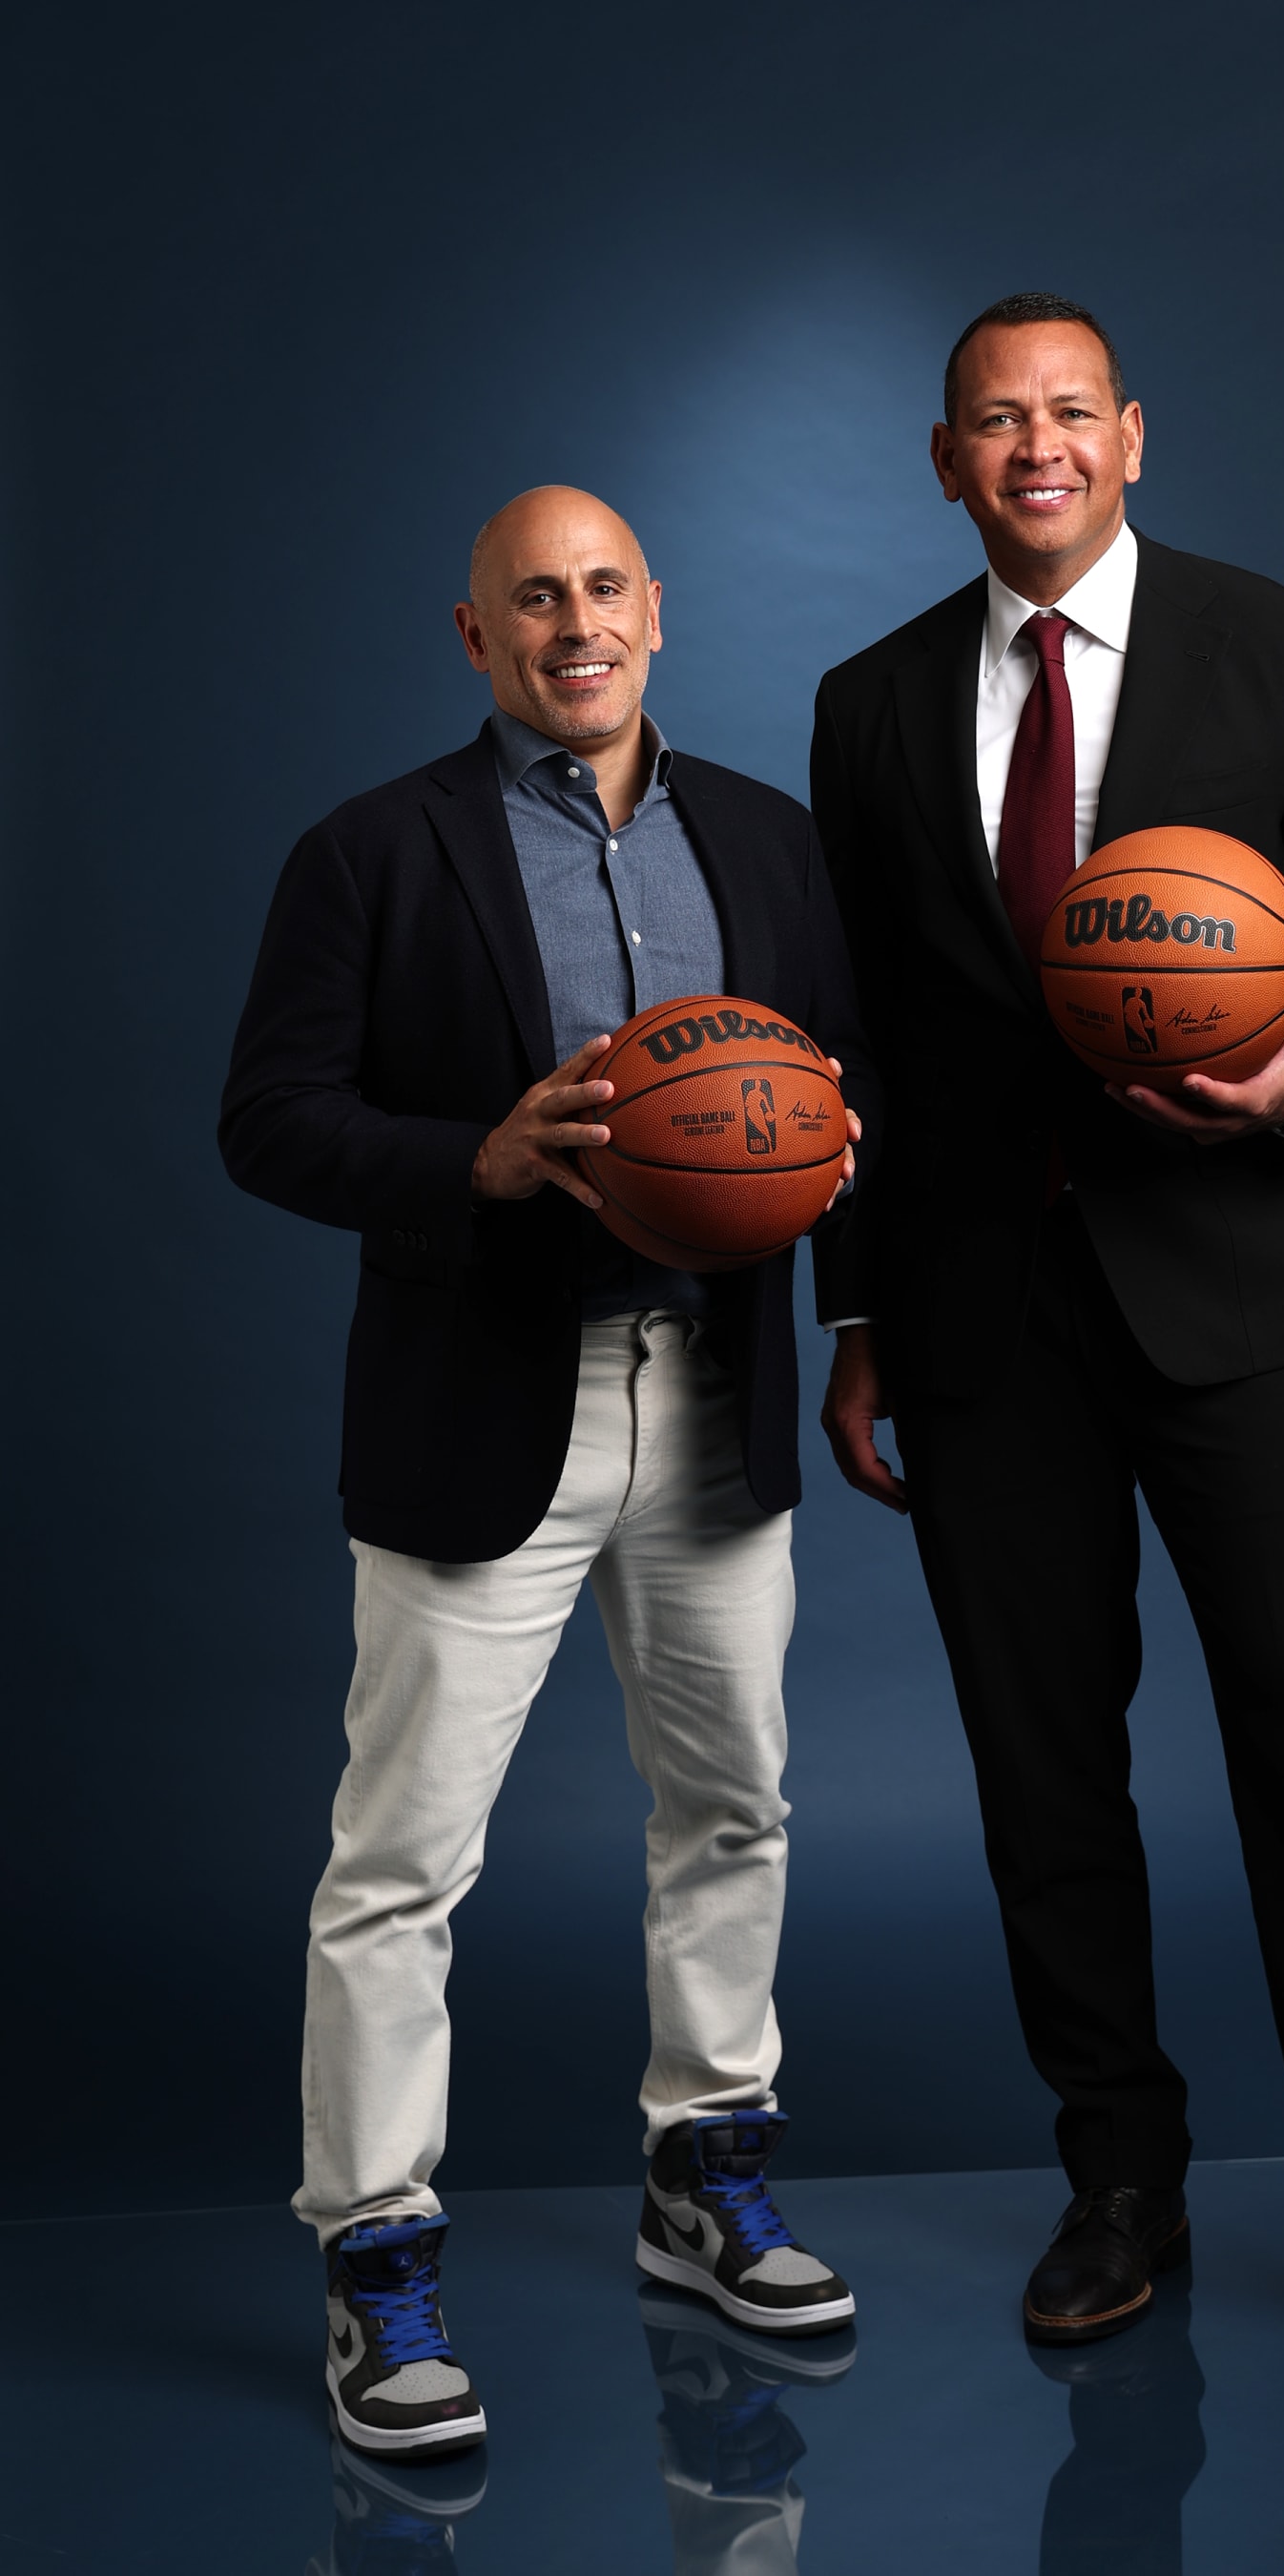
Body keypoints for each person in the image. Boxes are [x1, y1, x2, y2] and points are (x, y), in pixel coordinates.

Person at [812, 295, 1284, 2406]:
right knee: (1043, 1768)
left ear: (1132, 436)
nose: (1036, 447)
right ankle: (1119, 2181)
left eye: (1071, 412)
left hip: (1235, 1291)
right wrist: (858, 1310)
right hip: (979, 1315)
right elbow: (862, 1029)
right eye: (996, 420)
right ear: (945, 460)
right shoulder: (871, 701)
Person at [220, 486, 877, 2462]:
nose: (574, 624)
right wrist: (475, 1162)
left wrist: (856, 1285)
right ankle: (377, 2258)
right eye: (534, 598)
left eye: (602, 589)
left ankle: (705, 2175)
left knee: (734, 1806)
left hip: (716, 1394)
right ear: (477, 634)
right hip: (486, 1398)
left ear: (654, 612)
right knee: (400, 1862)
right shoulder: (371, 851)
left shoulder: (766, 837)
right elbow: (270, 1120)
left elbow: (843, 1100)